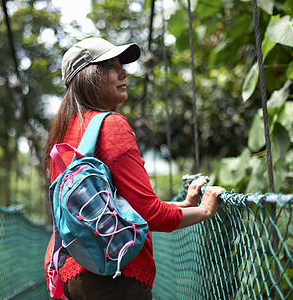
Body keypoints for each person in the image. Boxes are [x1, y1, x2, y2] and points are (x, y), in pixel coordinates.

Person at [43, 37, 225, 300]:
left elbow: (116, 212)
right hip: (116, 278)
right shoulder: (112, 125)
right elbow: (151, 215)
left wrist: (185, 205)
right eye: (112, 66)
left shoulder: (60, 137)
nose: (124, 72)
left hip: (70, 274)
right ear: (89, 77)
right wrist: (205, 210)